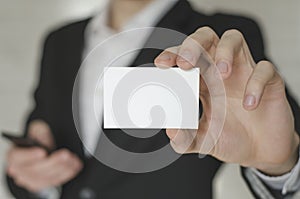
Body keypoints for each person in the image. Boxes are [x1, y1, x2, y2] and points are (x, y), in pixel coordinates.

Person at [5, 0, 300, 198]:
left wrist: (280, 163)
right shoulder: (59, 42)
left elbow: (281, 140)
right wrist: (29, 174)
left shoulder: (222, 38)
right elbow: (38, 141)